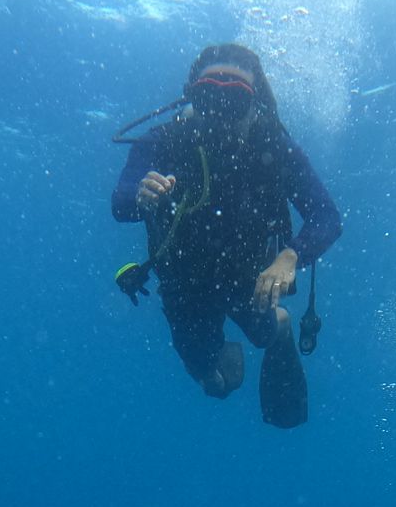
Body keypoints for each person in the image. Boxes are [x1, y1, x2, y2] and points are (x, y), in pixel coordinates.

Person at [110, 43, 341, 428]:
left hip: (248, 278)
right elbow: (120, 204)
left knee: (266, 335)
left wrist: (290, 257)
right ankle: (214, 365)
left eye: (233, 98)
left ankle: (280, 324)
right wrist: (140, 195)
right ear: (192, 96)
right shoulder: (164, 140)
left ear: (256, 100)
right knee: (215, 383)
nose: (218, 111)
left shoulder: (274, 145)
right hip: (182, 277)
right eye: (208, 96)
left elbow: (327, 217)